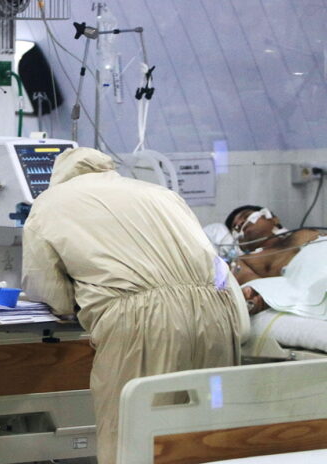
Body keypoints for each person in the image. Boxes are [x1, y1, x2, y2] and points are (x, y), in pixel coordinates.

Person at [21, 147, 241, 464]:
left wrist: (74, 303)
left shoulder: (49, 204)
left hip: (143, 320)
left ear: (59, 176)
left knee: (133, 435)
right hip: (216, 312)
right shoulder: (161, 194)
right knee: (207, 433)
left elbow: (48, 290)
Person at [225, 205, 322, 314]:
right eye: (235, 227)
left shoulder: (305, 233)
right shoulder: (243, 262)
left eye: (246, 216)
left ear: (274, 219)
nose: (240, 223)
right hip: (306, 297)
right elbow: (258, 292)